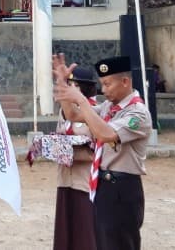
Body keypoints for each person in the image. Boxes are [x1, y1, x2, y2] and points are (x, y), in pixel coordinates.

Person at [53, 54, 153, 250]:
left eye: (108, 84)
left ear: (125, 82)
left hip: (123, 188)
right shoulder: (109, 106)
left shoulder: (138, 113)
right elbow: (73, 115)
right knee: (102, 243)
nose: (104, 90)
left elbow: (106, 134)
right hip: (102, 185)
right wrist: (63, 85)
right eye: (102, 84)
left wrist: (81, 100)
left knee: (121, 244)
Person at [53, 66, 99, 250]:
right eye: (69, 84)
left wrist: (74, 148)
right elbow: (60, 133)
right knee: (66, 231)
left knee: (85, 231)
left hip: (84, 180)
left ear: (86, 89)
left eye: (75, 85)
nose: (70, 89)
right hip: (65, 179)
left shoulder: (95, 111)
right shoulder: (65, 111)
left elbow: (97, 144)